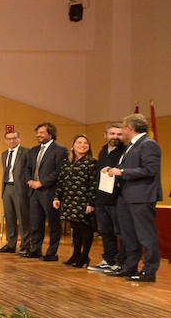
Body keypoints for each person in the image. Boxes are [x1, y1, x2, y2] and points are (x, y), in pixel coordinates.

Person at [104, 113, 162, 282]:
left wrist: (122, 172)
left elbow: (150, 170)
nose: (121, 131)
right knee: (128, 234)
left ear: (130, 128)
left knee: (145, 235)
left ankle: (149, 270)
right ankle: (130, 266)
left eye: (123, 127)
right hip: (127, 196)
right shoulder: (131, 145)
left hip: (141, 196)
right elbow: (127, 167)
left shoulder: (148, 144)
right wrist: (112, 169)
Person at [22, 122, 68, 261]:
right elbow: (27, 168)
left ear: (51, 133)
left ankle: (51, 252)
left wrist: (42, 182)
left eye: (42, 132)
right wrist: (29, 180)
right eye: (37, 132)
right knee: (35, 223)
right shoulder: (34, 150)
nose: (38, 135)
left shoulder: (60, 150)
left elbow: (59, 171)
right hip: (34, 192)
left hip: (50, 191)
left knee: (53, 224)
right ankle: (35, 249)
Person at [53, 135, 98, 268]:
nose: (82, 145)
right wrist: (57, 197)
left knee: (85, 228)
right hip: (69, 199)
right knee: (75, 228)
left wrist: (91, 202)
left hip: (83, 200)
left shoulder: (92, 162)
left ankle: (84, 256)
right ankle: (76, 254)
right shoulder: (67, 162)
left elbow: (93, 184)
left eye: (85, 143)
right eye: (79, 142)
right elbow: (60, 181)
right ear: (73, 146)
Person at [89, 123, 125, 273]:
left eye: (118, 134)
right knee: (105, 231)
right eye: (112, 134)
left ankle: (121, 262)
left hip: (117, 199)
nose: (115, 137)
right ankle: (108, 260)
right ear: (106, 135)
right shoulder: (103, 151)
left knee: (120, 232)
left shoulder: (126, 150)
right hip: (102, 198)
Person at [0, 130, 31, 254]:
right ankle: (11, 244)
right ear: (5, 141)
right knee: (9, 217)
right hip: (7, 188)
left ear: (19, 139)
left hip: (21, 189)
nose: (12, 141)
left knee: (23, 218)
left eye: (14, 138)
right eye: (9, 139)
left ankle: (26, 245)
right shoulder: (4, 154)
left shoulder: (26, 152)